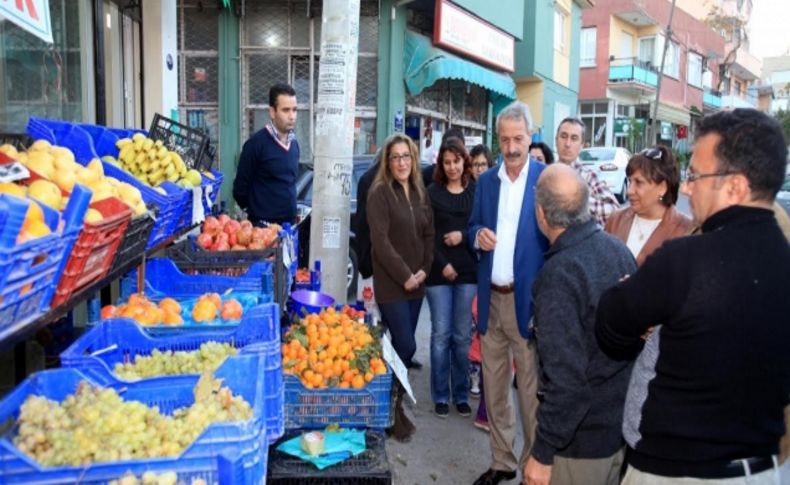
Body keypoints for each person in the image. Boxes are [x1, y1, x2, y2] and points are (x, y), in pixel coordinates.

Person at [595, 108, 790, 484]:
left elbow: (610, 321)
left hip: (673, 473)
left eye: (696, 177)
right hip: (763, 472)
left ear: (735, 186)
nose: (685, 188)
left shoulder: (685, 260)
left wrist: (625, 292)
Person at [524, 164, 636, 485]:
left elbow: (566, 382)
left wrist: (542, 453)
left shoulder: (559, 275)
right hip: (616, 435)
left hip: (579, 447)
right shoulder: (618, 250)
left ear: (542, 214)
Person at [468, 101, 549, 485]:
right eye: (504, 139)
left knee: (531, 394)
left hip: (528, 303)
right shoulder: (486, 182)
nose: (511, 147)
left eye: (518, 139)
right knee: (494, 387)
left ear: (530, 137)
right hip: (491, 301)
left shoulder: (546, 180)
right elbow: (472, 228)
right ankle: (502, 461)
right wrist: (476, 237)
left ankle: (534, 466)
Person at [367, 133, 434, 442]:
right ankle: (391, 405)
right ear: (387, 162)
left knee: (398, 347)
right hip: (392, 284)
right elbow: (380, 243)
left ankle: (384, 400)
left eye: (406, 156)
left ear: (413, 158)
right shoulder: (379, 193)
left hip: (416, 284)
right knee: (406, 345)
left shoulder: (420, 192)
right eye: (395, 157)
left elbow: (429, 236)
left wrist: (423, 271)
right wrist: (406, 274)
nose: (402, 162)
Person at [425, 138, 478, 419]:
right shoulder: (432, 193)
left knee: (461, 337)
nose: (452, 167)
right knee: (440, 335)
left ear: (464, 161)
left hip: (469, 272)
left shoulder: (476, 192)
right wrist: (442, 263)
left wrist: (464, 236)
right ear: (441, 165)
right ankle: (440, 396)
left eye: (456, 161)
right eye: (447, 162)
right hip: (438, 273)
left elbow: (482, 228)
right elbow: (427, 235)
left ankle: (460, 394)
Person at [604, 146, 693, 266]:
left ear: (662, 188)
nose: (630, 191)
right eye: (630, 181)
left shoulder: (686, 230)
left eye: (639, 183)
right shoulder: (615, 221)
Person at [233, 83, 299, 226]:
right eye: (286, 110)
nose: (292, 116)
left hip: (288, 229)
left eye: (294, 110)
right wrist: (258, 215)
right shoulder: (255, 145)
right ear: (272, 112)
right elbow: (240, 190)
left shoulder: (294, 144)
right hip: (262, 232)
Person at [555, 117, 619, 226]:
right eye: (563, 136)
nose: (567, 144)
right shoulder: (545, 173)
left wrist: (577, 201)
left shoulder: (588, 177)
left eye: (574, 138)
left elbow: (614, 211)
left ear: (582, 145)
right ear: (556, 140)